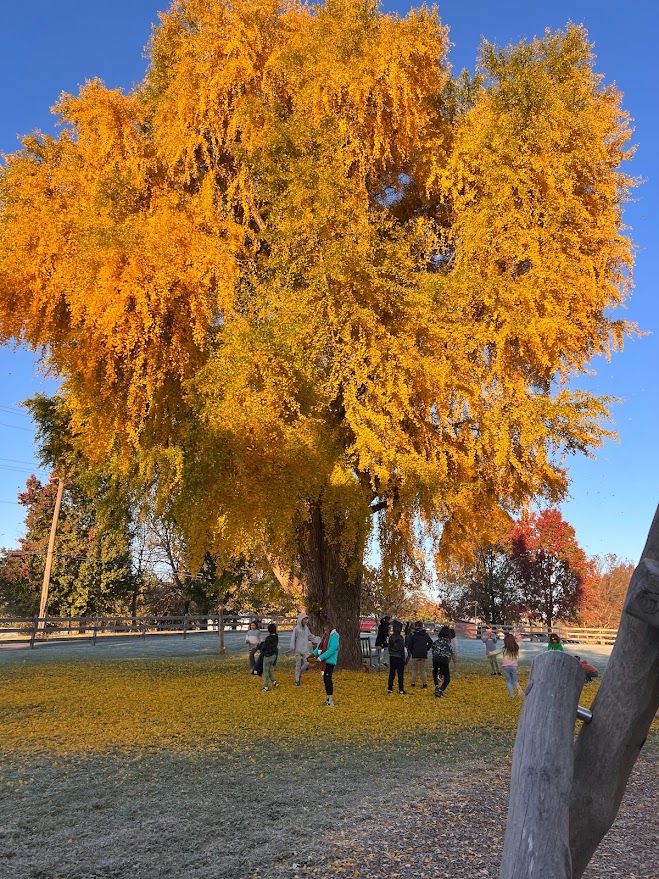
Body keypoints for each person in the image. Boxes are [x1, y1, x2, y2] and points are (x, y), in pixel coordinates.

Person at [313, 623, 340, 706]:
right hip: (325, 661)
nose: (325, 632)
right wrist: (312, 655)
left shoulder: (334, 637)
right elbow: (320, 647)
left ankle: (330, 699)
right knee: (325, 679)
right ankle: (328, 698)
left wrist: (320, 658)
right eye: (324, 630)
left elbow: (331, 650)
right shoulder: (325, 637)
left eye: (326, 630)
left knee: (328, 679)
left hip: (330, 661)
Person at [290, 612, 318, 686]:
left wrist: (317, 639)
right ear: (301, 620)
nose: (305, 621)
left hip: (305, 650)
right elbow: (293, 638)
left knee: (307, 663)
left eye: (306, 619)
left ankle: (299, 674)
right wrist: (292, 647)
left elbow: (310, 636)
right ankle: (297, 680)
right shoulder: (296, 629)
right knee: (298, 664)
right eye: (304, 619)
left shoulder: (306, 628)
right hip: (298, 650)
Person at [406, 621, 434, 689]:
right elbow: (431, 642)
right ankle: (424, 684)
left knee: (414, 669)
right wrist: (426, 648)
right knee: (422, 669)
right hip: (423, 653)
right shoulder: (425, 634)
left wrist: (412, 651)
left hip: (415, 653)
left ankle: (413, 683)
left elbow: (409, 645)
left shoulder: (413, 635)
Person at [501, 633, 524, 699]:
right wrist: (518, 636)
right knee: (515, 681)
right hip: (514, 666)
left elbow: (496, 651)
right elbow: (520, 642)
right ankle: (518, 688)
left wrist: (490, 653)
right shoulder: (516, 647)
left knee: (509, 682)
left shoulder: (504, 649)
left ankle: (512, 696)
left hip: (506, 667)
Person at [431, 625, 453, 697]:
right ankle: (440, 690)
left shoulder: (437, 641)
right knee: (447, 678)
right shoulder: (448, 643)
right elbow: (450, 652)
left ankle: (437, 686)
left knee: (435, 672)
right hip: (444, 659)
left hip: (436, 658)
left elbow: (433, 649)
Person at [387, 619, 407, 694]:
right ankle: (401, 689)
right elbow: (401, 649)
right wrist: (403, 658)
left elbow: (389, 647)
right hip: (399, 657)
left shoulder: (391, 637)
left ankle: (390, 688)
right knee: (400, 674)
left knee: (392, 673)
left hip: (392, 656)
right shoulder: (401, 638)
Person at [258, 623, 279, 692]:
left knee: (265, 671)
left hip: (267, 656)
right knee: (269, 670)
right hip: (274, 656)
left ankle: (266, 686)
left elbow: (264, 647)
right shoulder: (276, 637)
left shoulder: (268, 638)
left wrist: (260, 649)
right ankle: (274, 682)